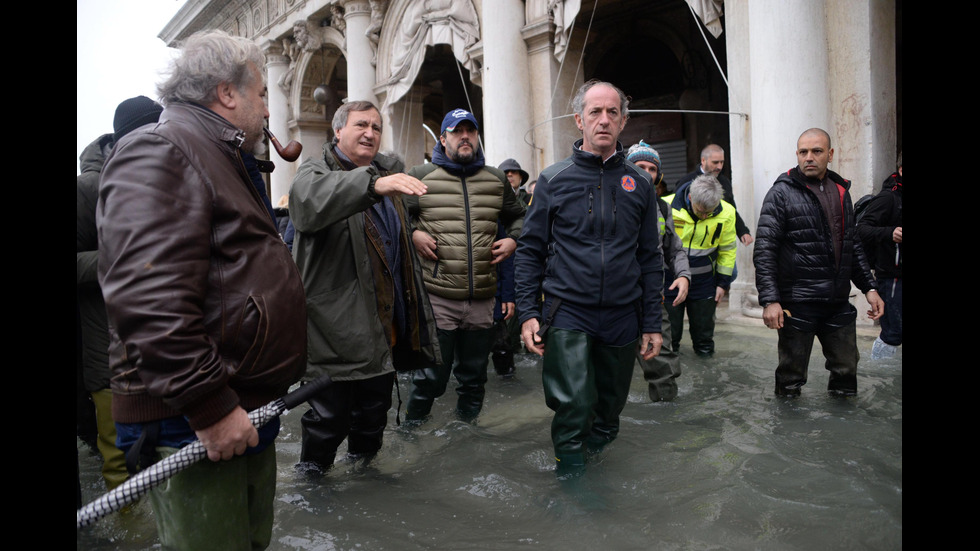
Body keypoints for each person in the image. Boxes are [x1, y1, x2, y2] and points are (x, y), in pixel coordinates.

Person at [97, 30, 307, 550]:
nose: (266, 108)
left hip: (237, 406)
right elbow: (148, 297)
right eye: (262, 94)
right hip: (194, 417)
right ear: (227, 93)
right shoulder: (163, 148)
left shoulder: (219, 153)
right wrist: (210, 406)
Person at [515, 80, 664, 477]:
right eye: (595, 112)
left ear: (623, 120)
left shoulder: (641, 184)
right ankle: (571, 480)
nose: (603, 120)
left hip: (622, 314)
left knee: (609, 410)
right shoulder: (553, 179)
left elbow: (651, 257)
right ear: (579, 120)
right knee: (574, 404)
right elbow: (529, 250)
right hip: (568, 311)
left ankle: (593, 460)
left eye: (612, 112)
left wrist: (652, 322)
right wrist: (528, 313)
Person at [288, 100, 441, 471]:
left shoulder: (385, 176)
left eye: (376, 127)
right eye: (361, 125)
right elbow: (308, 204)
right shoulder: (314, 171)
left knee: (373, 422)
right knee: (328, 424)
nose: (370, 133)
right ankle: (315, 496)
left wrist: (414, 233)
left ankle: (365, 486)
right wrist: (373, 185)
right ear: (338, 131)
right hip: (334, 335)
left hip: (381, 331)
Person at [403, 108, 526, 423]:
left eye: (470, 131)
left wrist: (513, 239)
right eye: (457, 131)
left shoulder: (495, 179)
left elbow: (521, 216)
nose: (465, 137)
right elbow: (393, 216)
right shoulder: (420, 176)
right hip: (438, 295)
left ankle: (466, 433)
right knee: (432, 378)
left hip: (483, 297)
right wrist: (414, 233)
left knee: (474, 378)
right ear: (443, 139)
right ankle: (412, 432)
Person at [754, 128, 883, 396]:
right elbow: (765, 250)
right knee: (790, 378)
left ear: (830, 154)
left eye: (816, 151)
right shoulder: (780, 193)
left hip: (837, 302)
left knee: (847, 372)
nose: (809, 157)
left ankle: (844, 430)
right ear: (797, 155)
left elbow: (852, 244)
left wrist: (869, 288)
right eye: (803, 152)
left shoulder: (841, 191)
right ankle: (788, 432)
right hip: (797, 303)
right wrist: (770, 300)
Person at [77, 95, 163, 492]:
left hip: (163, 343)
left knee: (162, 453)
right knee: (120, 461)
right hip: (106, 349)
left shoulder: (160, 179)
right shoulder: (87, 189)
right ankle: (130, 533)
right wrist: (120, 259)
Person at [627, 141, 690, 401]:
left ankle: (668, 415)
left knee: (662, 362)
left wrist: (684, 275)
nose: (645, 173)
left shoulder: (663, 208)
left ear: (658, 176)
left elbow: (675, 249)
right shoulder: (605, 200)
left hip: (652, 297)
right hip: (611, 297)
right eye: (639, 166)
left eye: (651, 169)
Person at [661, 174, 736, 358]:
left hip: (704, 283)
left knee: (705, 340)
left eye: (709, 213)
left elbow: (727, 250)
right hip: (670, 280)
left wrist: (722, 284)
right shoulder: (665, 206)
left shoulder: (727, 213)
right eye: (700, 211)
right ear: (690, 197)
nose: (704, 216)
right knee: (669, 340)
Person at [857, 152, 902, 359]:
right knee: (893, 332)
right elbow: (861, 230)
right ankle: (879, 375)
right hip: (892, 276)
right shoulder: (888, 197)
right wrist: (889, 232)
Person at [675, 144, 753, 245]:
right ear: (703, 160)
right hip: (693, 243)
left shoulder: (725, 182)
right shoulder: (686, 182)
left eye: (722, 162)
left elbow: (731, 210)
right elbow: (675, 210)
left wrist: (743, 231)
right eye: (715, 162)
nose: (719, 167)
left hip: (719, 240)